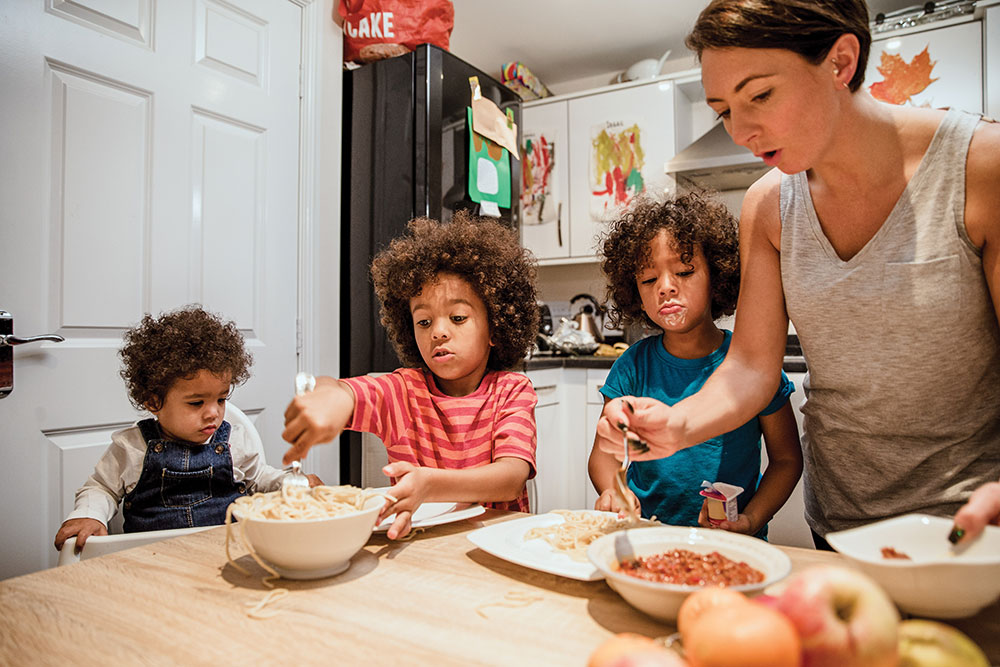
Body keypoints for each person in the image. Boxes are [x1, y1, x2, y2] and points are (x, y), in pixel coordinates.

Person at [597, 0, 1000, 549]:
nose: (741, 130)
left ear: (840, 62)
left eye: (759, 95)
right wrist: (677, 425)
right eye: (722, 111)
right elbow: (750, 370)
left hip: (972, 521)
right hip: (840, 520)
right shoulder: (768, 207)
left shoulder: (980, 167)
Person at [281, 212, 540, 539]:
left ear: (495, 328)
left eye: (458, 317)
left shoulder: (512, 391)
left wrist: (430, 483)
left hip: (499, 543)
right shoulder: (402, 391)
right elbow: (345, 392)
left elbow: (510, 478)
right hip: (417, 548)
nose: (439, 332)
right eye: (424, 322)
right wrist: (329, 396)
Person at [588, 193, 802, 538]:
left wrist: (751, 520)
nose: (666, 287)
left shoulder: (753, 365)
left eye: (684, 271)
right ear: (635, 292)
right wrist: (613, 489)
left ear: (717, 276)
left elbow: (787, 460)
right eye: (648, 279)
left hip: (731, 542)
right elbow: (604, 455)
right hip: (648, 535)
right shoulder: (632, 367)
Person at [54, 306, 316, 552]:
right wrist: (88, 515)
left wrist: (291, 484)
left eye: (221, 399)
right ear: (153, 401)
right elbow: (102, 488)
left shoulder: (233, 439)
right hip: (152, 558)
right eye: (196, 402)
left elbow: (258, 479)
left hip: (228, 552)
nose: (213, 412)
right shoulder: (132, 447)